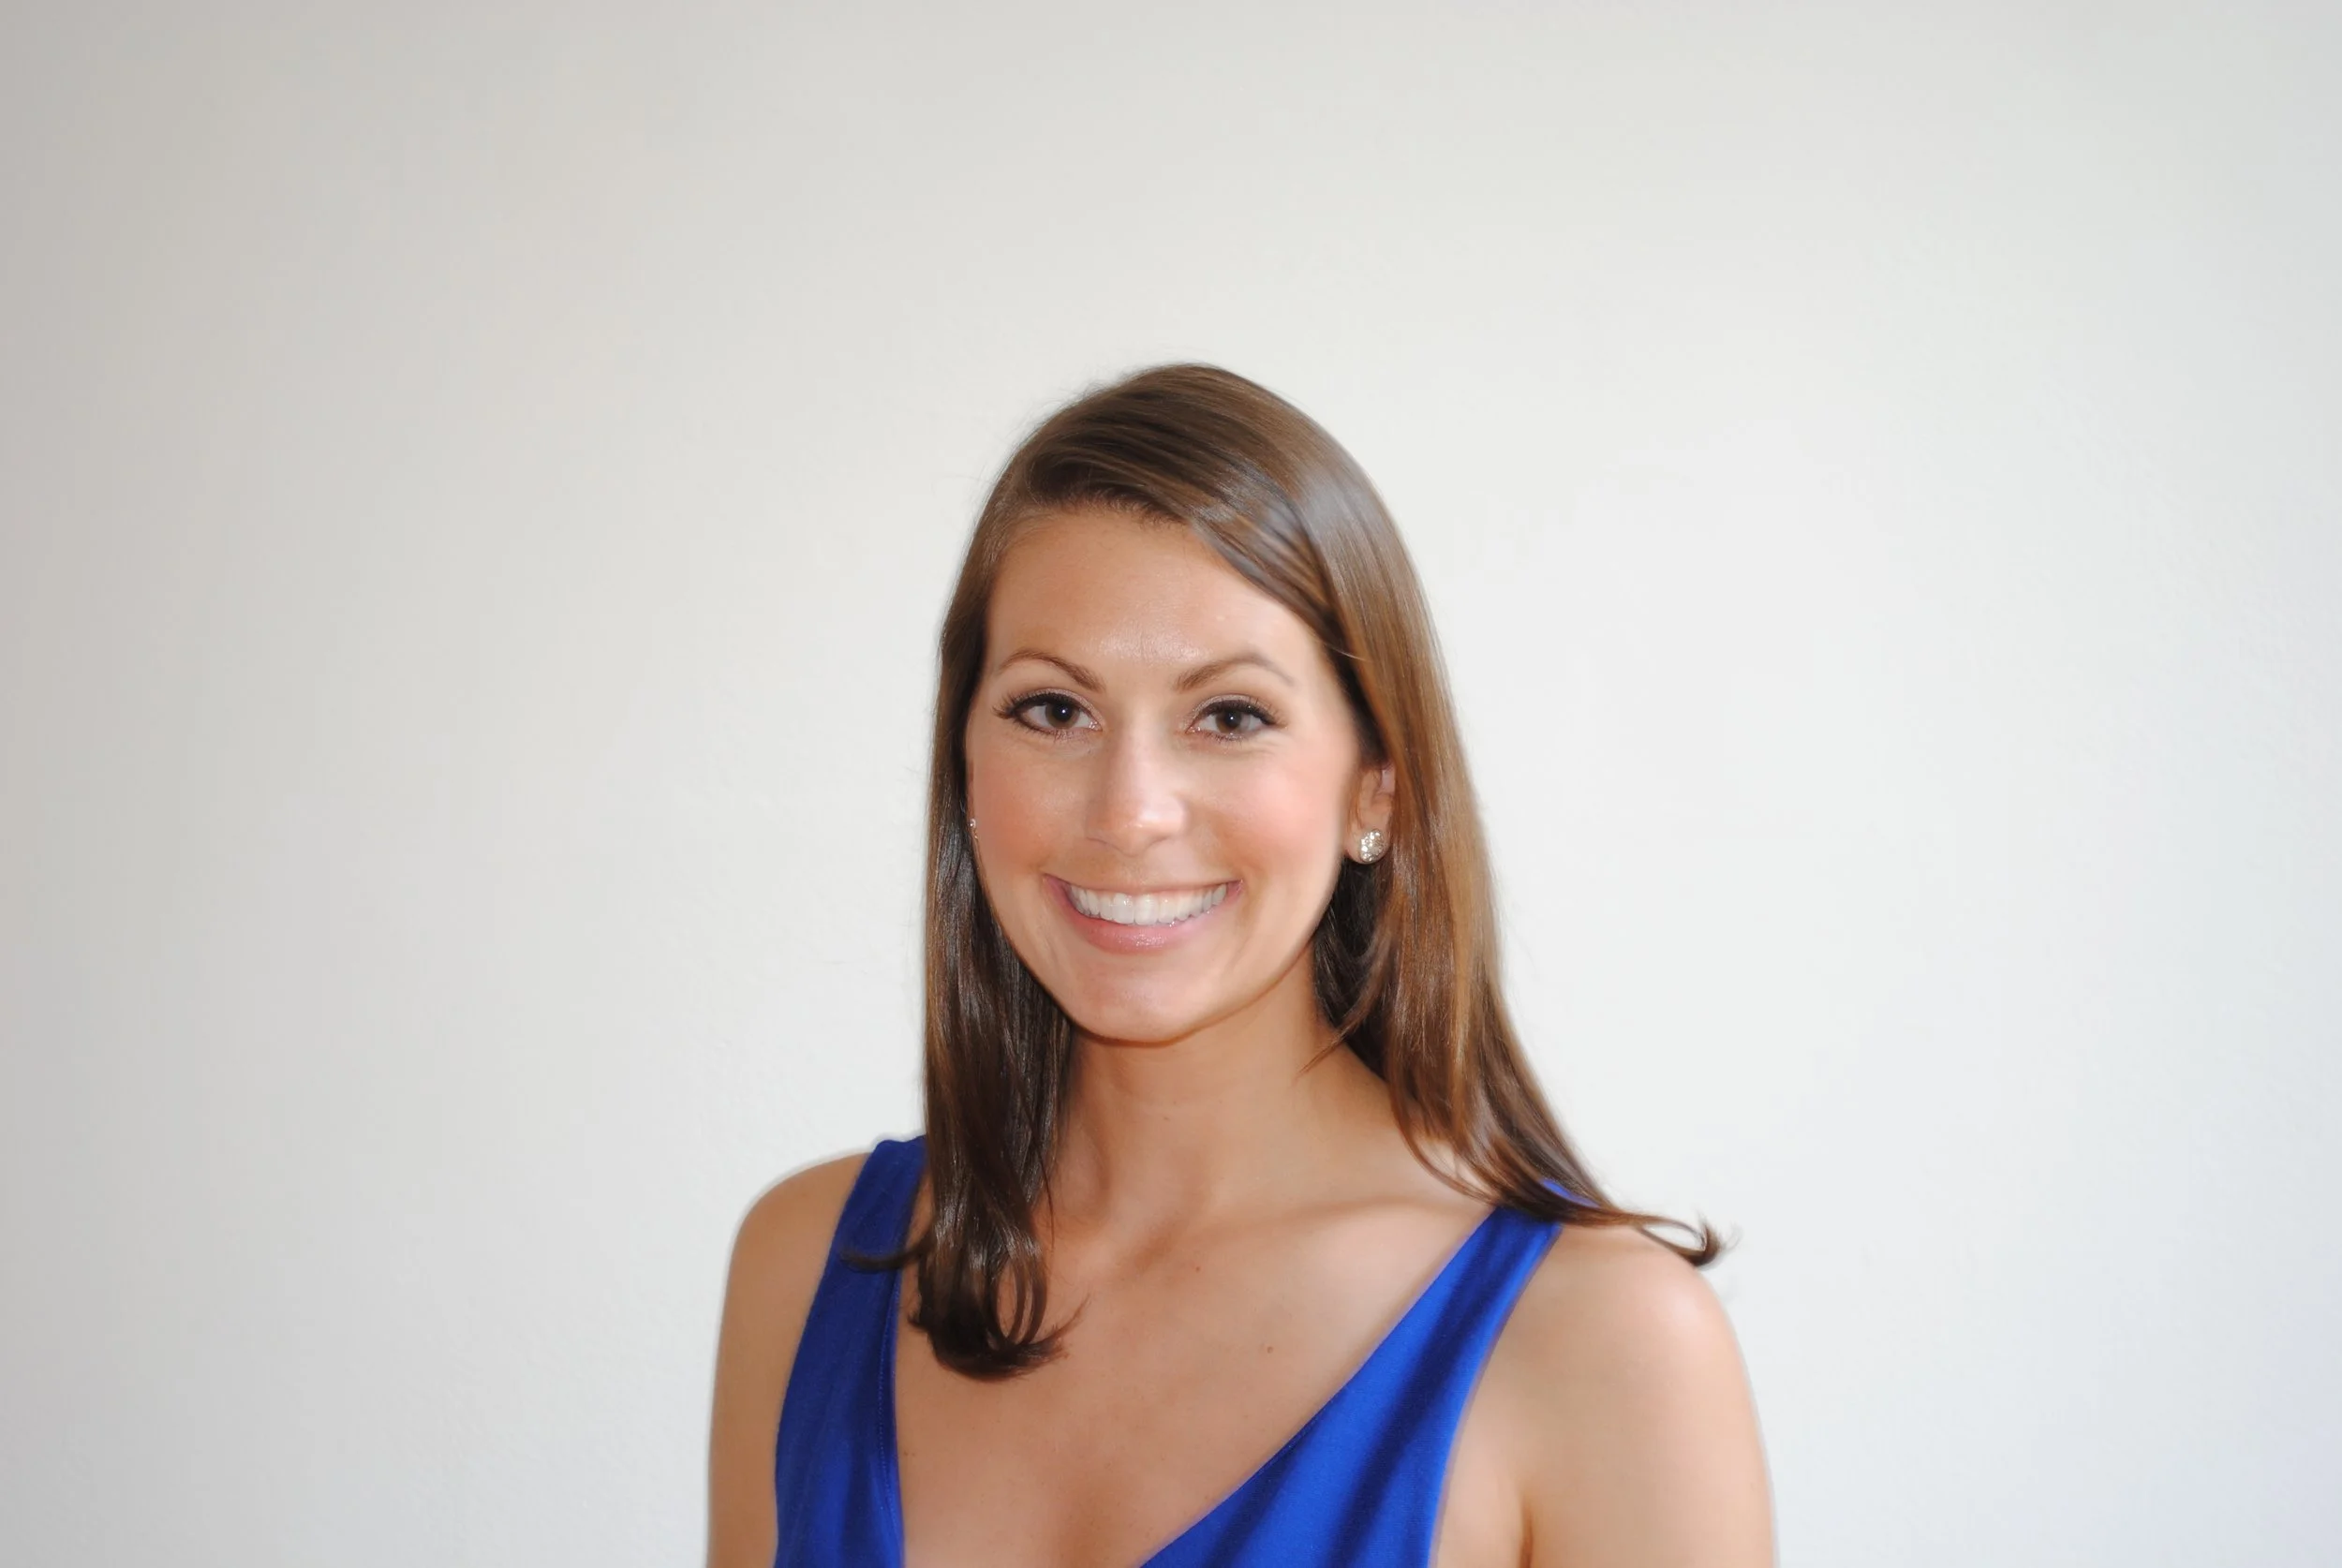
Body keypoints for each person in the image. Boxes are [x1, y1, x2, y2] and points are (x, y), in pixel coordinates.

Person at [706, 365, 1773, 1567]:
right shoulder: (806, 1266)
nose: (1130, 812)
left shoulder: (1602, 1349)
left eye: (1228, 716)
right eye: (1054, 711)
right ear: (963, 773)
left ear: (1377, 787)